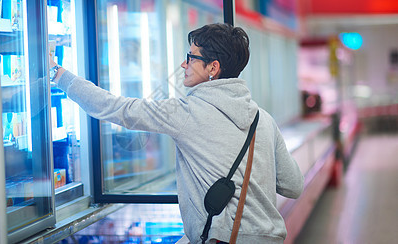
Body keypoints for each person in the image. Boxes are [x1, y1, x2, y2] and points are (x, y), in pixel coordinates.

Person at [50, 23, 303, 243]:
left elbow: (116, 108)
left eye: (191, 57)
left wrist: (58, 75)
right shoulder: (264, 120)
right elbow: (293, 185)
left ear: (213, 67)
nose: (184, 63)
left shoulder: (187, 113)